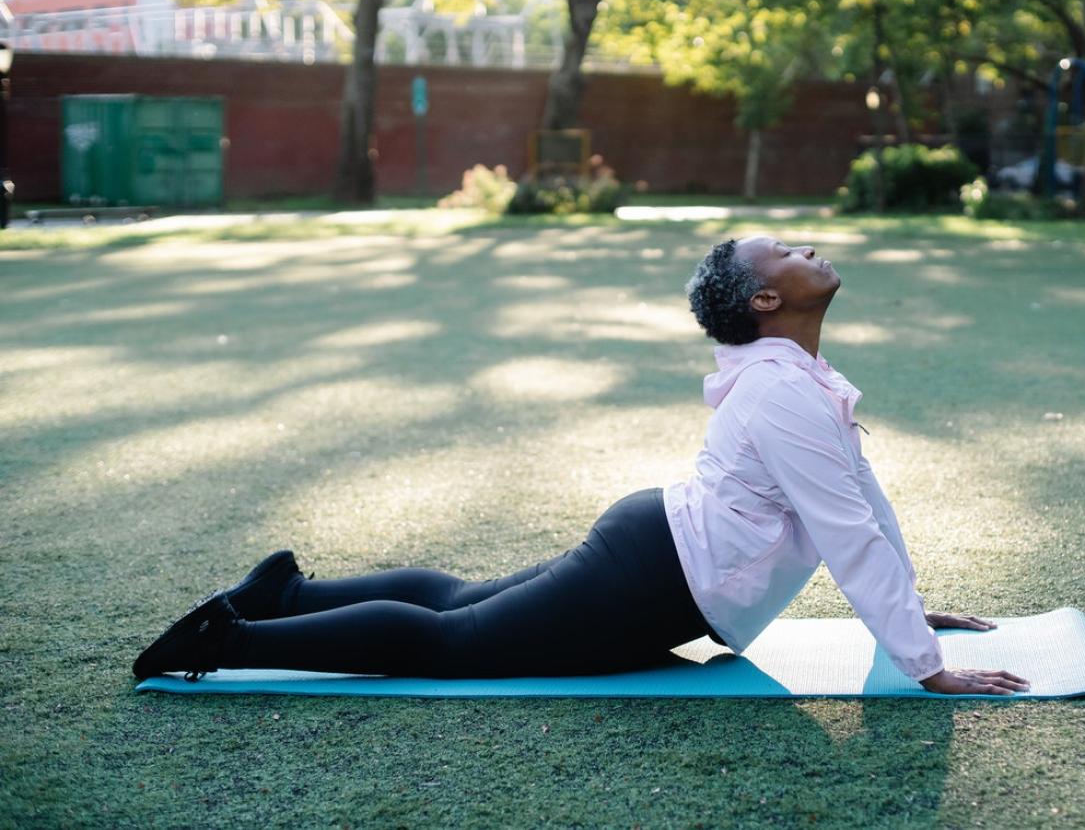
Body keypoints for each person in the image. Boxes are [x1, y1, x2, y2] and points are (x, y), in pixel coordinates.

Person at [133, 235, 1029, 696]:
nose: (809, 252)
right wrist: (926, 666)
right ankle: (232, 639)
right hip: (655, 575)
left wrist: (910, 612)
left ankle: (283, 593)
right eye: (789, 253)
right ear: (766, 299)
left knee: (457, 601)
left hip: (654, 549)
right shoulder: (786, 391)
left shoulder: (797, 378)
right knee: (451, 642)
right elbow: (844, 527)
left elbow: (861, 504)